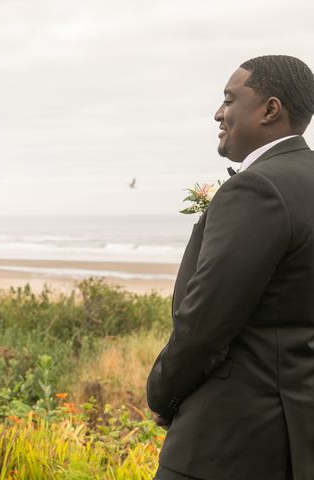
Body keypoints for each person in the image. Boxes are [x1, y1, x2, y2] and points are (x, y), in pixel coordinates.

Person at [147, 55, 314, 479]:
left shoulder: (257, 188)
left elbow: (205, 322)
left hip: (226, 444)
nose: (218, 113)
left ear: (270, 109)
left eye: (229, 99)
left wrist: (164, 397)